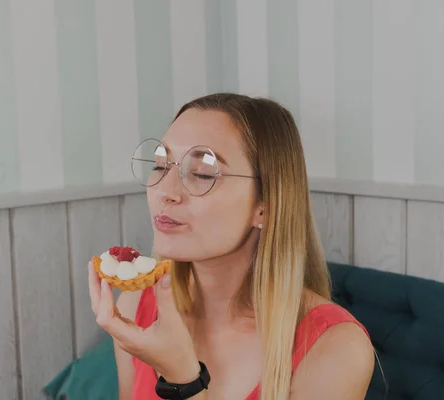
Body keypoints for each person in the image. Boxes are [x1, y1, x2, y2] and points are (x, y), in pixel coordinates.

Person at [88, 93, 375, 399]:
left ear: (264, 205)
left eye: (201, 173)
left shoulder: (336, 348)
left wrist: (182, 378)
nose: (165, 191)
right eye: (160, 166)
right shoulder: (136, 306)